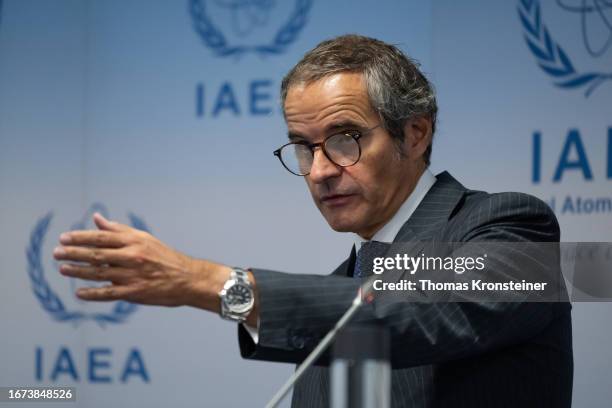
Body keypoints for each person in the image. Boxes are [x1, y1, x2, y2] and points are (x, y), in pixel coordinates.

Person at [53, 35, 573, 407]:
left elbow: (411, 315)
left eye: (345, 140)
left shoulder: (512, 227)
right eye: (303, 148)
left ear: (414, 135)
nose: (320, 171)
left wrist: (209, 283)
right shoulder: (332, 295)